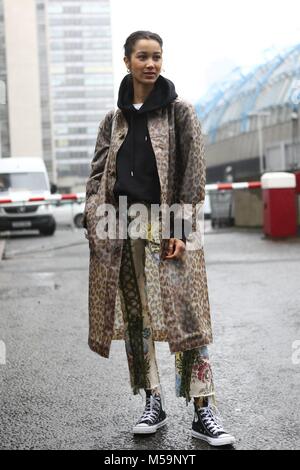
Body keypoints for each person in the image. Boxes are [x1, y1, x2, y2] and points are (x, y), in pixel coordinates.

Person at [83, 30, 235, 447]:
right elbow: (97, 177)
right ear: (127, 60)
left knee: (188, 320)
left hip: (172, 226)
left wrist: (182, 229)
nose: (151, 64)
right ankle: (153, 400)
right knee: (139, 319)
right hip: (124, 228)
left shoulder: (179, 112)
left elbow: (193, 173)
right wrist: (95, 220)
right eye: (142, 57)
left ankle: (204, 411)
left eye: (157, 57)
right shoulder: (112, 121)